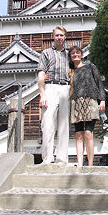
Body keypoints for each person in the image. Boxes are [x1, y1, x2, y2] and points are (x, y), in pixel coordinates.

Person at [37, 26, 70, 164]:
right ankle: (47, 157)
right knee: (48, 123)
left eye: (61, 35)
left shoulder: (69, 54)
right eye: (57, 35)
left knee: (64, 125)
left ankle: (62, 158)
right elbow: (40, 74)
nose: (59, 37)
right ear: (53, 37)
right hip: (50, 87)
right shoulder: (46, 53)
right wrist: (42, 94)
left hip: (65, 88)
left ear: (65, 37)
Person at [68, 45, 106, 167]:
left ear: (81, 54)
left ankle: (90, 164)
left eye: (77, 52)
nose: (75, 55)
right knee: (79, 134)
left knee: (88, 133)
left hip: (90, 100)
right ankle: (79, 163)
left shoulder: (90, 66)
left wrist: (103, 100)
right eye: (72, 53)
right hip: (76, 101)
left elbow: (99, 82)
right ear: (70, 56)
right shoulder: (70, 71)